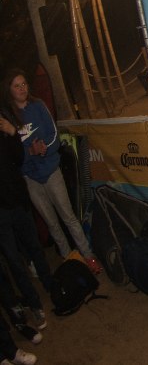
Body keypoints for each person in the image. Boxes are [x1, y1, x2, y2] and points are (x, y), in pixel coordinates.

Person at [3, 71, 100, 275]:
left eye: (24, 84)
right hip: (30, 179)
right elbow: (11, 157)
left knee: (69, 216)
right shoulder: (8, 118)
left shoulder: (38, 106)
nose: (22, 89)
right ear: (9, 90)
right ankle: (70, 261)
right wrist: (29, 152)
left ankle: (88, 255)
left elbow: (54, 137)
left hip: (50, 171)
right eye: (16, 85)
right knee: (52, 223)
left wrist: (42, 148)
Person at [0, 109, 49, 344]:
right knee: (14, 261)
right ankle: (34, 305)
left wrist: (13, 134)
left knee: (34, 247)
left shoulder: (3, 119)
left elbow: (18, 160)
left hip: (18, 200)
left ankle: (51, 287)